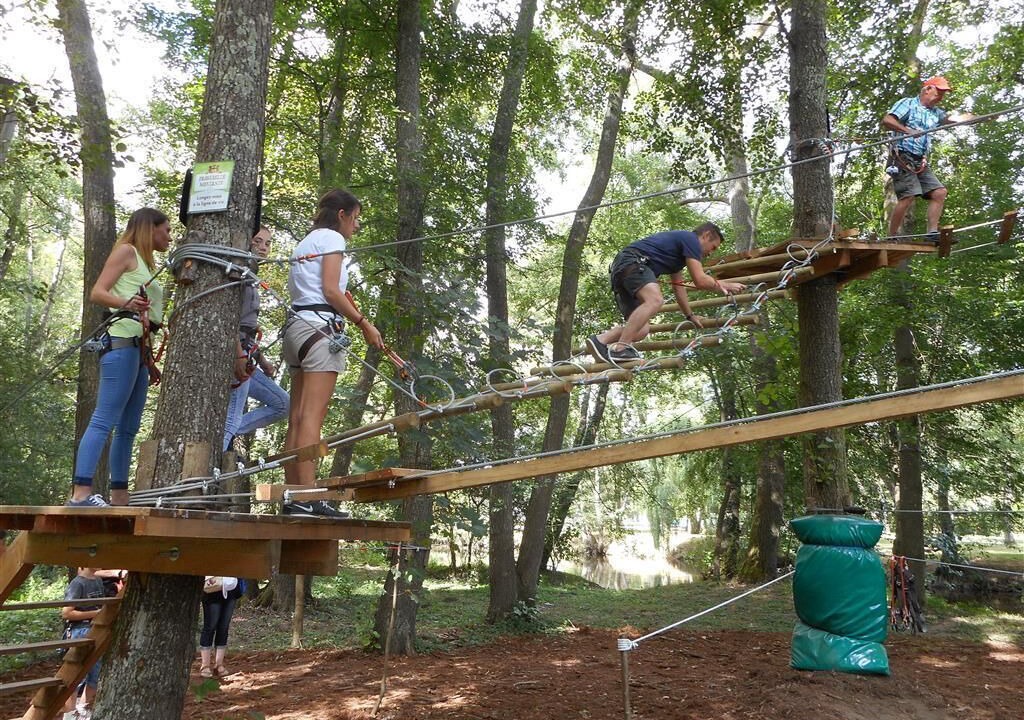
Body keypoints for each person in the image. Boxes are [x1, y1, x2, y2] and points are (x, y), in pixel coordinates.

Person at [280, 189, 383, 517]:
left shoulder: (305, 243)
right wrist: (363, 323)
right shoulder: (334, 241)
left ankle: (295, 496)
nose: (356, 225)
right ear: (342, 214)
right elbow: (329, 289)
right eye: (355, 218)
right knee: (312, 417)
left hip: (297, 330)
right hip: (320, 331)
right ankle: (307, 497)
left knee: (296, 418)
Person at [68, 208, 170, 507]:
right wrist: (125, 302)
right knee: (103, 420)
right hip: (120, 344)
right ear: (150, 228)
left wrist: (149, 361)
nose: (169, 237)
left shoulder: (147, 264)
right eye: (166, 230)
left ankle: (119, 496)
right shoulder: (126, 252)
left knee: (129, 428)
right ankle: (80, 494)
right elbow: (98, 292)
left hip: (139, 351)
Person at [586, 223, 746, 363]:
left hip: (622, 272)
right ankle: (621, 349)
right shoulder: (690, 240)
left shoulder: (677, 260)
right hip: (633, 262)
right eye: (714, 247)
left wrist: (690, 316)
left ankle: (601, 340)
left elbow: (679, 287)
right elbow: (700, 280)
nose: (711, 253)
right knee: (655, 300)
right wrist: (725, 284)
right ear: (706, 236)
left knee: (641, 330)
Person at [882, 76, 974, 241]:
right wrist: (907, 131)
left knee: (939, 192)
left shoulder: (935, 113)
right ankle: (892, 236)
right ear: (927, 89)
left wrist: (978, 118)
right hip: (902, 156)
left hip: (919, 160)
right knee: (909, 195)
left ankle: (931, 233)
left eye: (943, 94)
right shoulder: (908, 104)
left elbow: (955, 119)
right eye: (939, 92)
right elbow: (888, 120)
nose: (940, 97)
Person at [223, 226, 290, 453]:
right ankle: (221, 442)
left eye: (268, 243)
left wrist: (262, 361)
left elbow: (247, 328)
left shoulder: (251, 278)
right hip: (236, 355)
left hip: (248, 354)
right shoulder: (238, 273)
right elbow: (229, 319)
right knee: (231, 419)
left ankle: (224, 430)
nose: (263, 247)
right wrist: (238, 354)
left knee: (282, 404)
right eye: (257, 241)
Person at [59, 568, 122, 720]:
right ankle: (70, 714)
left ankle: (82, 709)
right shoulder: (77, 584)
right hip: (79, 632)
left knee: (96, 674)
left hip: (97, 631)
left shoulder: (98, 581)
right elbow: (67, 613)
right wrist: (96, 614)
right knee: (75, 676)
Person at [198, 576, 243, 679]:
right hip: (212, 588)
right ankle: (205, 665)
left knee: (223, 627)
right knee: (210, 626)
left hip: (231, 588)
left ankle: (219, 664)